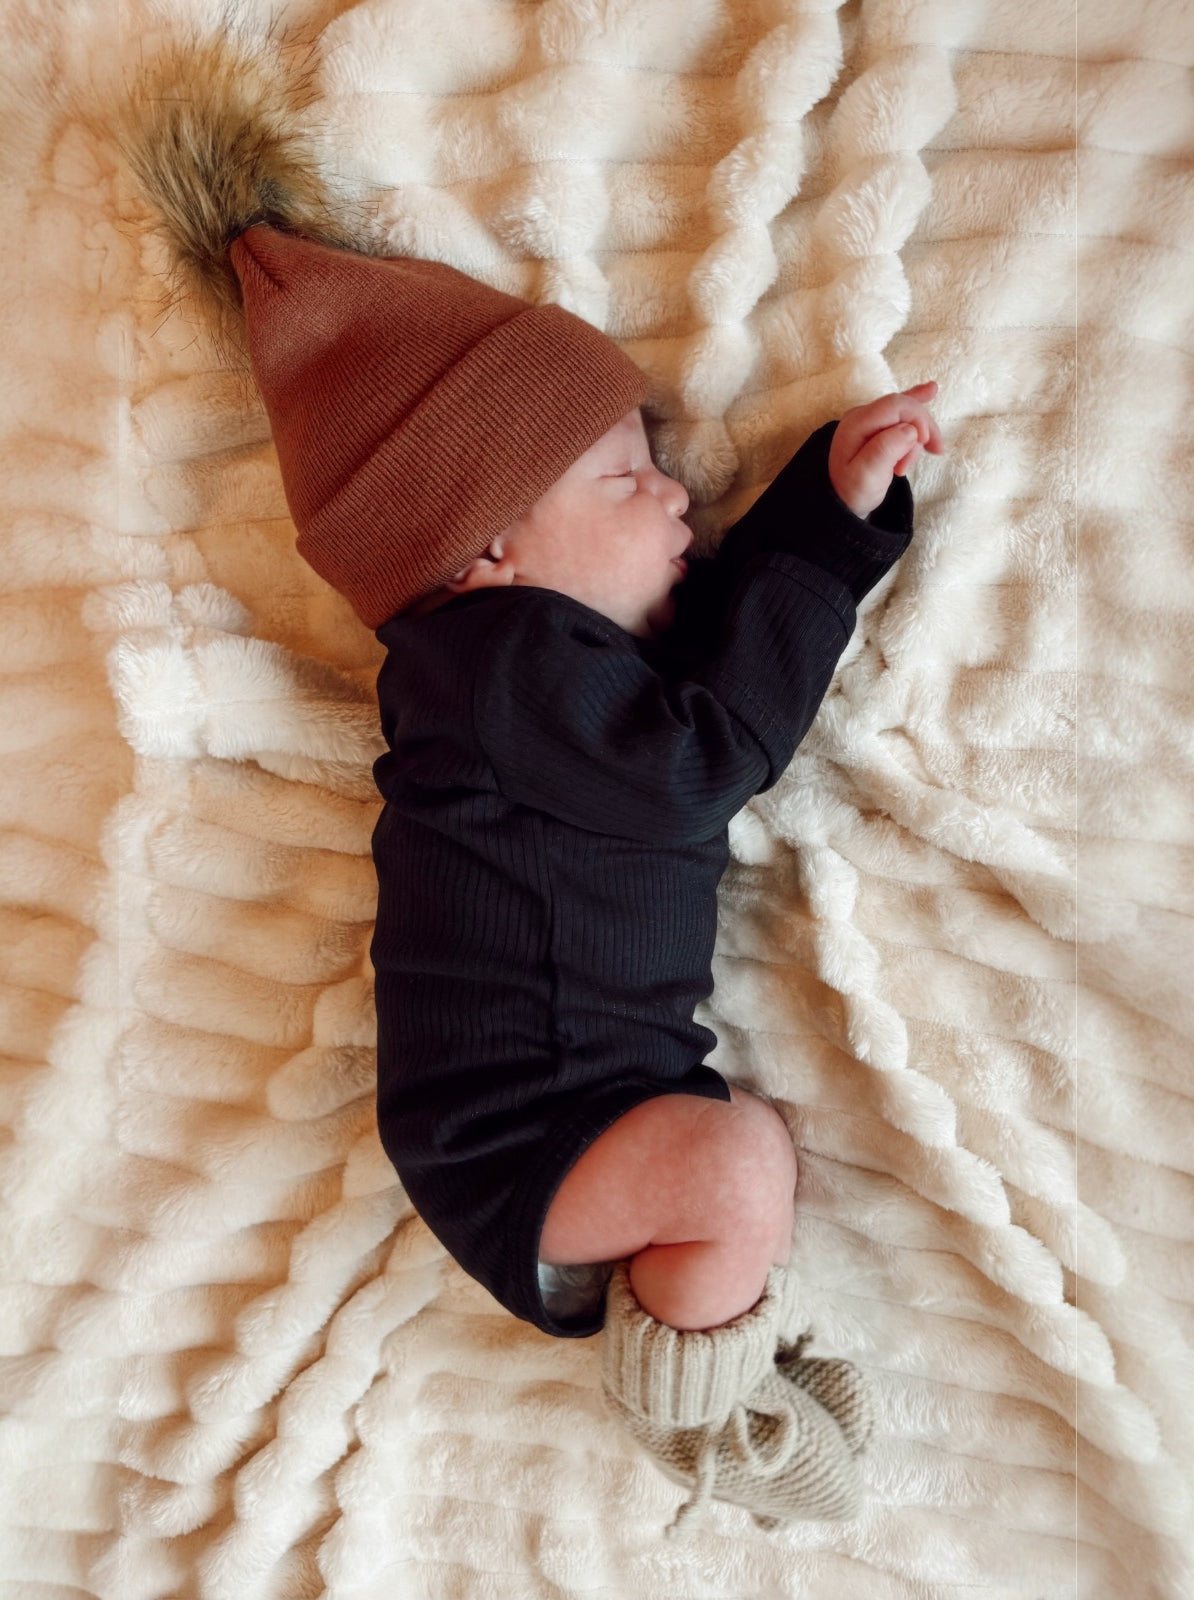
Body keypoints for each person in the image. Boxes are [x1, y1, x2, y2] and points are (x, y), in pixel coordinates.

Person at [119, 58, 943, 1532]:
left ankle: (706, 1371)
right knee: (736, 1164)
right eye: (629, 477)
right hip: (526, 1132)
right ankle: (699, 1403)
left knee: (734, 1165)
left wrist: (821, 514)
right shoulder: (491, 667)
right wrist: (816, 545)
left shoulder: (528, 668)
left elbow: (692, 691)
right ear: (487, 550)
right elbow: (704, 755)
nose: (677, 493)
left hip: (549, 1115)